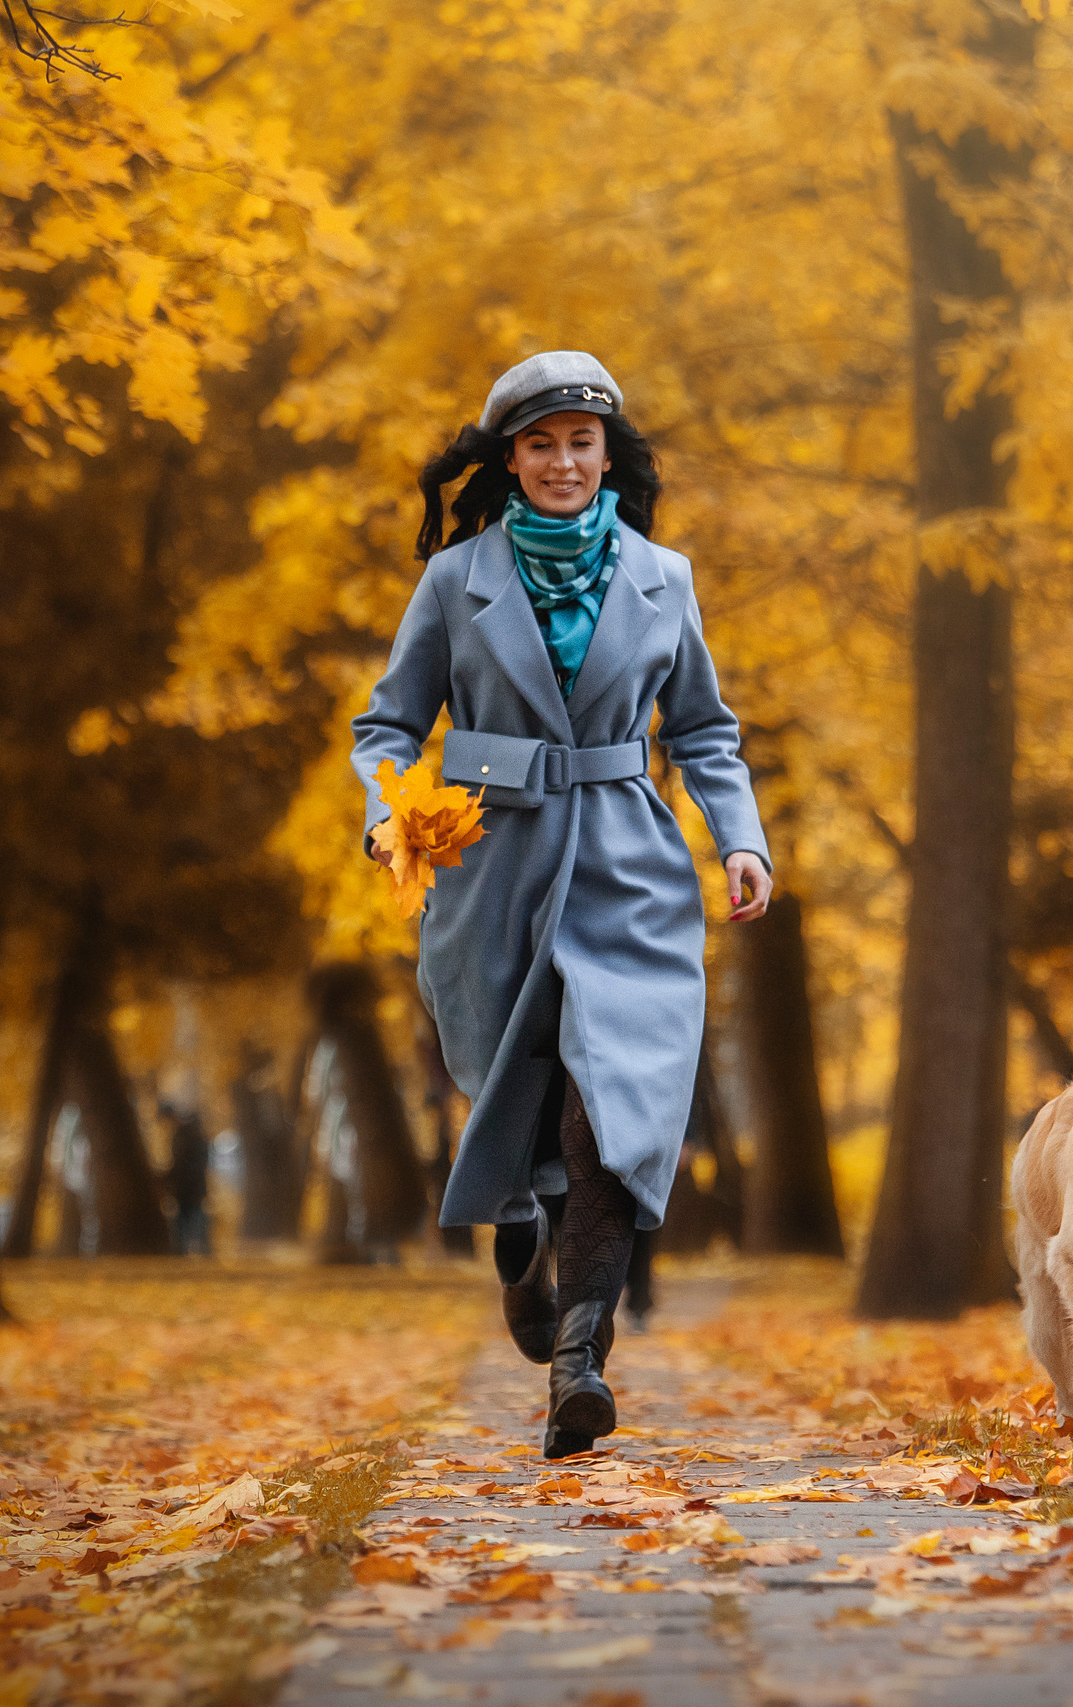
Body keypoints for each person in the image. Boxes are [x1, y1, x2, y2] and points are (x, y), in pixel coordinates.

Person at [354, 351, 771, 1458]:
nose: (562, 462)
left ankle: (580, 1365)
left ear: (606, 456)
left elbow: (704, 731)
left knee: (619, 1113)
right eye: (539, 444)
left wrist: (740, 838)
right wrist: (388, 811)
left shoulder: (663, 576)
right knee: (520, 1103)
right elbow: (387, 727)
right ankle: (522, 1234)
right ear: (509, 459)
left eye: (580, 442)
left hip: (630, 863)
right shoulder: (454, 580)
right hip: (489, 862)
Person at [161, 1098, 213, 1256]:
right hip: (189, 1185)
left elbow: (183, 1163)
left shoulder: (187, 1135)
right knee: (187, 1218)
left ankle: (198, 1250)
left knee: (192, 1217)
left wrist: (172, 1177)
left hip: (190, 1184)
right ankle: (188, 1251)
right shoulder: (188, 1133)